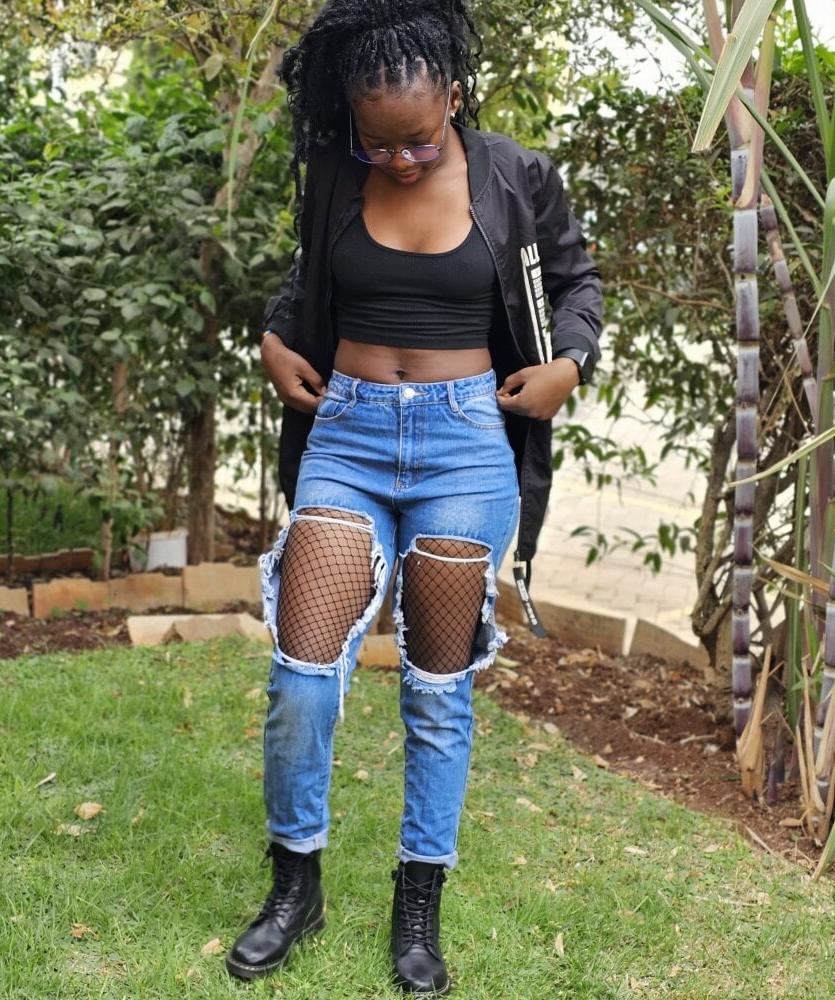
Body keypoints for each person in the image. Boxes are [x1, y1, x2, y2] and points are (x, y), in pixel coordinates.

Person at [225, 0, 602, 993]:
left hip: (465, 447)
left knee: (436, 689)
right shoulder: (333, 172)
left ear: (455, 98)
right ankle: (294, 886)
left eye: (419, 140)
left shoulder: (514, 176)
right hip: (347, 437)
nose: (398, 160)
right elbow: (307, 283)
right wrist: (273, 341)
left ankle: (418, 900)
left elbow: (577, 284)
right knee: (303, 672)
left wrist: (568, 364)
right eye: (377, 142)